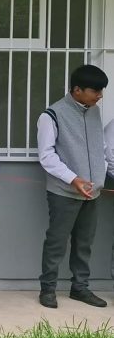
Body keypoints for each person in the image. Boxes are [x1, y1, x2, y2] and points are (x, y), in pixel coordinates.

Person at [37, 64, 113, 309]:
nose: (100, 95)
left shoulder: (94, 112)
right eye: (96, 91)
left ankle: (80, 288)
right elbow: (47, 156)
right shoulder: (52, 115)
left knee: (84, 243)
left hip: (92, 192)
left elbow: (101, 148)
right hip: (64, 192)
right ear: (77, 90)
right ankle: (47, 289)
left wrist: (99, 177)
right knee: (57, 241)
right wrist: (73, 179)